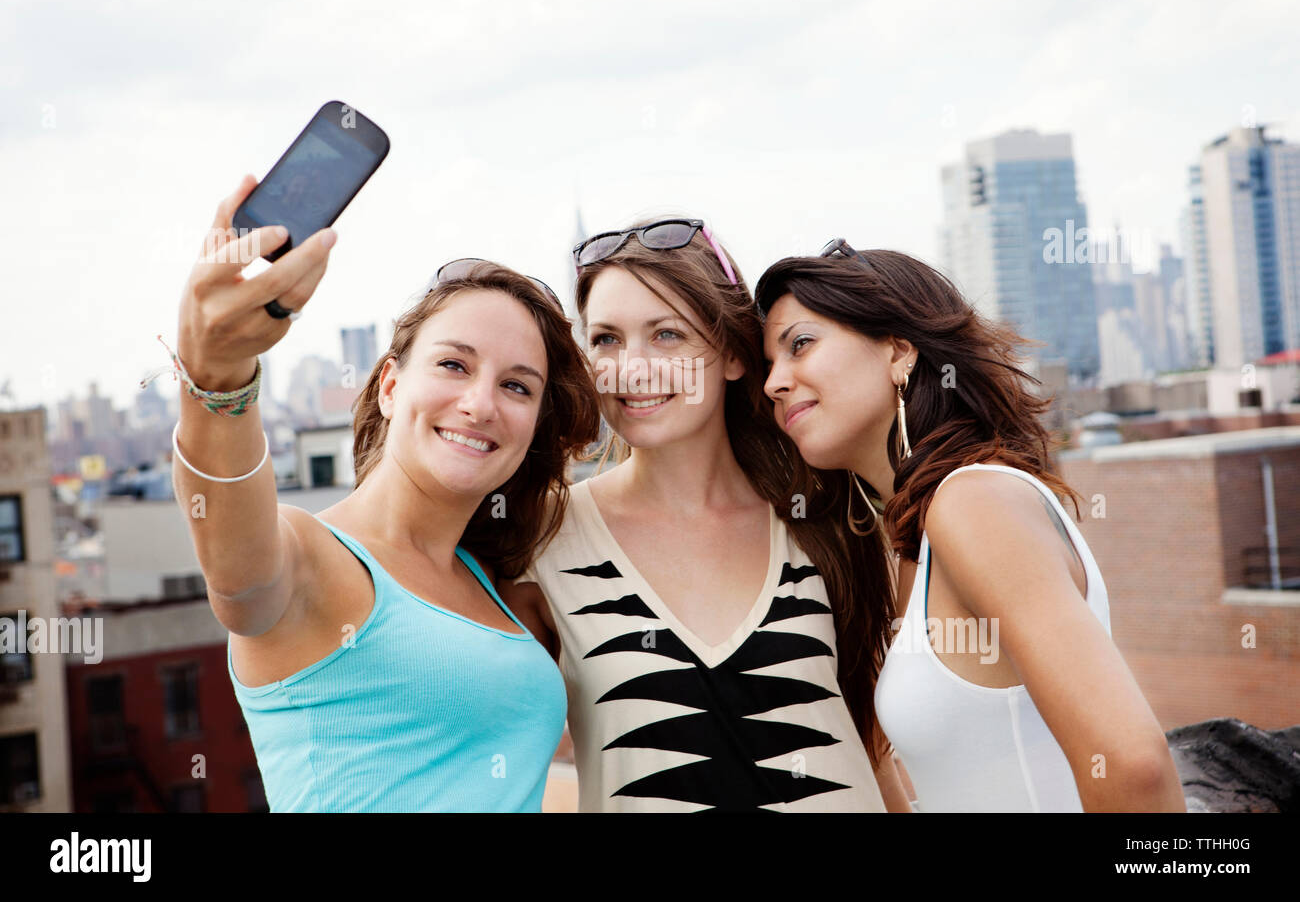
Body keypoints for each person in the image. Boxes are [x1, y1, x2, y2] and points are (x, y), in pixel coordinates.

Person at [167, 175, 600, 811]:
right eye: (453, 365)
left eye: (517, 386)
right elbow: (237, 568)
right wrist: (217, 375)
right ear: (390, 388)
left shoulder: (503, 587)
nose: (480, 403)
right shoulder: (309, 560)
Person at [755, 239, 1186, 812]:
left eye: (800, 345)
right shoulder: (914, 539)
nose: (774, 383)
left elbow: (1135, 767)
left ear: (899, 352)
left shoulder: (973, 502)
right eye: (769, 365)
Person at [501, 218, 907, 812]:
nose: (631, 367)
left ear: (735, 355)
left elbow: (870, 748)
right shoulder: (541, 537)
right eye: (607, 339)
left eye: (665, 335)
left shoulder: (827, 514)